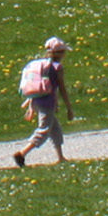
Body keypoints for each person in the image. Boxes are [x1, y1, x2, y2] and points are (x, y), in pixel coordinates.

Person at [11, 37, 74, 166]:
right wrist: (69, 107)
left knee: (55, 129)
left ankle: (60, 157)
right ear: (59, 53)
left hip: (39, 100)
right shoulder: (57, 68)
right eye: (63, 52)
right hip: (47, 103)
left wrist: (31, 106)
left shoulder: (42, 65)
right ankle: (21, 153)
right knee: (44, 130)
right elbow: (62, 89)